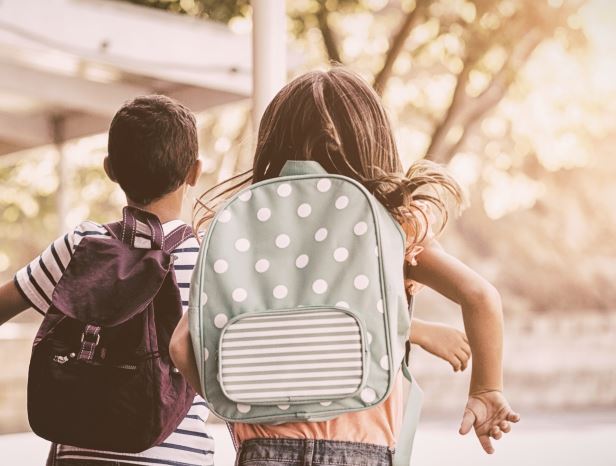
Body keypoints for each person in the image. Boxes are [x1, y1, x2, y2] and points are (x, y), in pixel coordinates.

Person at [170, 67, 519, 466]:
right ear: (373, 142)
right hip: (361, 451)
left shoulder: (238, 233)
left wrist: (242, 417)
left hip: (263, 451)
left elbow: (181, 347)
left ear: (272, 144)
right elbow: (480, 296)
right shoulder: (393, 226)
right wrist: (486, 388)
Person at [0, 95, 214, 466]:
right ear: (194, 172)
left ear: (109, 169)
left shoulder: (83, 245)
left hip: (79, 456)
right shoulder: (211, 262)